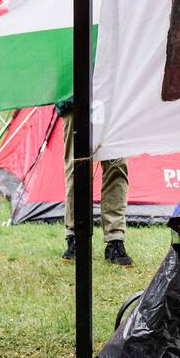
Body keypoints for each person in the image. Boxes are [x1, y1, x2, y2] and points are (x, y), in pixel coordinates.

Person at [60, 103, 132, 266]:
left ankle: (115, 239)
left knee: (117, 166)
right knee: (77, 167)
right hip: (74, 98)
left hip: (114, 100)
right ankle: (75, 237)